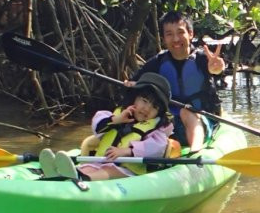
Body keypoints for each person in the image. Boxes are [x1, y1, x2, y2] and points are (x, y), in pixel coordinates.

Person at [39, 72, 176, 181]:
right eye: (144, 101)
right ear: (134, 99)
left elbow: (156, 148)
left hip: (128, 171)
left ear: (159, 112)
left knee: (109, 170)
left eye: (154, 107)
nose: (147, 108)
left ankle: (81, 179)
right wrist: (117, 120)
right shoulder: (117, 115)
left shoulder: (156, 132)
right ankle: (62, 177)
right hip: (99, 162)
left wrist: (127, 151)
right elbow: (97, 124)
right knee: (88, 167)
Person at [132, 10, 226, 152]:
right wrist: (131, 85)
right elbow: (135, 83)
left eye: (180, 32)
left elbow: (217, 70)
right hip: (170, 124)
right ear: (164, 38)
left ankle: (196, 150)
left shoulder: (202, 59)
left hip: (203, 119)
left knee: (185, 112)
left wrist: (217, 68)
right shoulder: (158, 62)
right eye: (169, 34)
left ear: (190, 34)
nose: (176, 39)